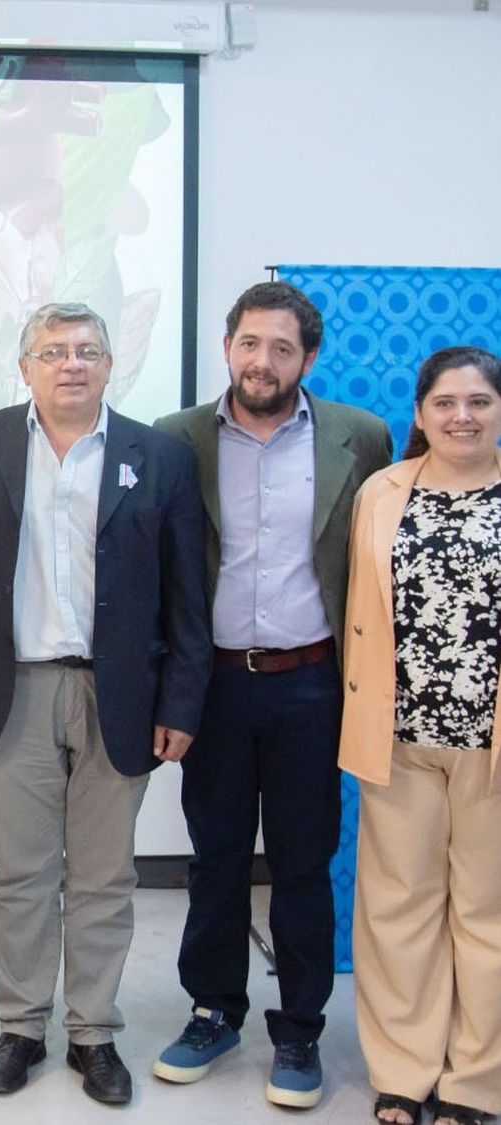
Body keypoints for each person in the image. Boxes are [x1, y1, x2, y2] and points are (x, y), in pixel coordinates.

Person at [0, 302, 210, 1107]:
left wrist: (184, 701)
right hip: (15, 685)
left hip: (120, 691)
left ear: (110, 365)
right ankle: (22, 1025)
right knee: (20, 872)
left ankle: (93, 1031)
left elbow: (187, 591)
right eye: (53, 350)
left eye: (88, 350)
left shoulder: (157, 455)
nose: (72, 363)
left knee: (104, 875)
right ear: (23, 365)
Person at [152, 281, 392, 1107]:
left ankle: (298, 1029)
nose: (263, 361)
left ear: (309, 357)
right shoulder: (175, 438)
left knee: (301, 860)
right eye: (250, 343)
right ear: (227, 345)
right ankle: (214, 1008)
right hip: (213, 684)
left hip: (311, 684)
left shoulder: (360, 438)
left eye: (282, 348)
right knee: (215, 856)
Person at [341, 346, 501, 1125]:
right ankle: (405, 1071)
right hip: (397, 736)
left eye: (478, 401)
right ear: (419, 412)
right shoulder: (382, 492)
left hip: (492, 748)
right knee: (397, 910)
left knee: (488, 915)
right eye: (445, 402)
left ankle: (477, 1082)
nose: (461, 416)